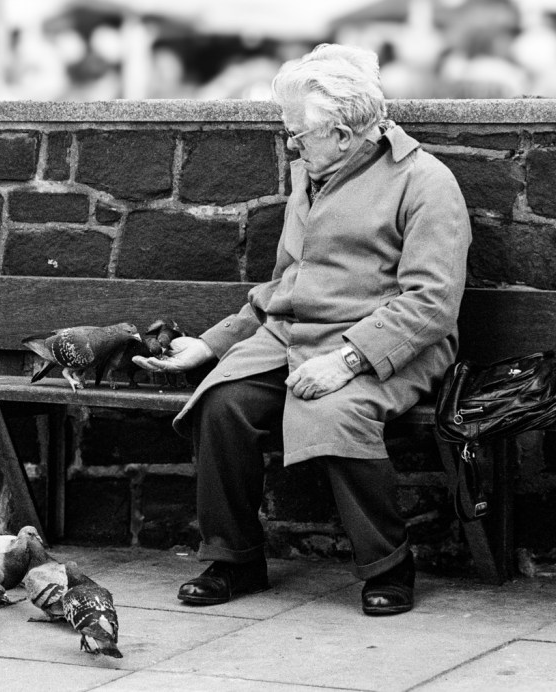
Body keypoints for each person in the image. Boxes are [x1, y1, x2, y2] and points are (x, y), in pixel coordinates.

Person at [135, 44, 471, 615]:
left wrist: (346, 361)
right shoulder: (313, 173)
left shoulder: (425, 182)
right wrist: (211, 346)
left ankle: (390, 565)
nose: (291, 145)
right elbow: (281, 287)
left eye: (300, 135)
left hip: (391, 346)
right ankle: (233, 559)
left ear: (343, 132)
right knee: (222, 403)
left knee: (334, 412)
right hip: (289, 338)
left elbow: (432, 302)